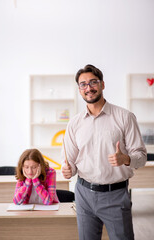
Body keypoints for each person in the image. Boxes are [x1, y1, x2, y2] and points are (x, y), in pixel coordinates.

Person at [61, 64, 147, 240]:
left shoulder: (124, 117)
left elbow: (141, 157)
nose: (89, 88)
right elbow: (70, 163)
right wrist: (68, 170)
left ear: (102, 84)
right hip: (83, 195)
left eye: (93, 82)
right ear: (79, 90)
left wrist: (126, 159)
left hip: (115, 195)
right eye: (83, 84)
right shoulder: (74, 124)